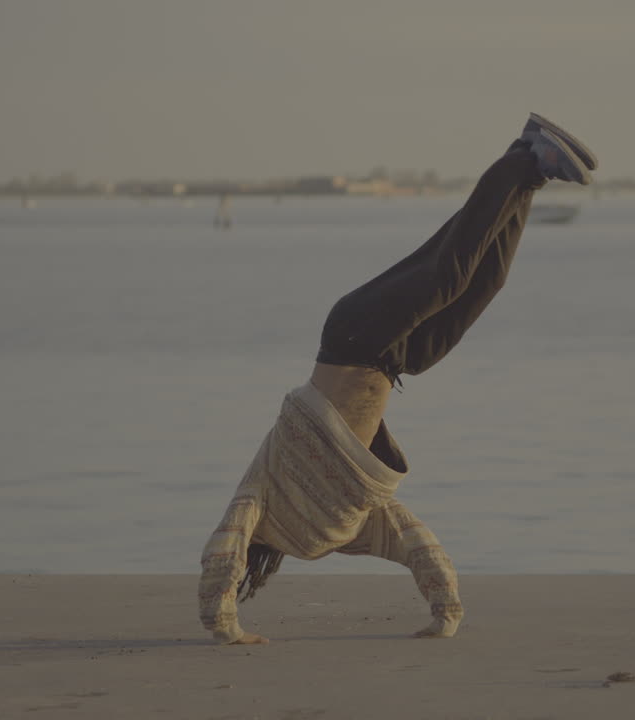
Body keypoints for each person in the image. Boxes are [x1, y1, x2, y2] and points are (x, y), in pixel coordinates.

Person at [197, 113, 597, 645]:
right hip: (392, 361)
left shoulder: (263, 497)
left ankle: (526, 154)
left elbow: (222, 550)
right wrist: (445, 612)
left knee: (449, 272)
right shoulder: (344, 524)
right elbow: (416, 545)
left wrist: (225, 625)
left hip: (351, 341)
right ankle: (531, 173)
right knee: (486, 282)